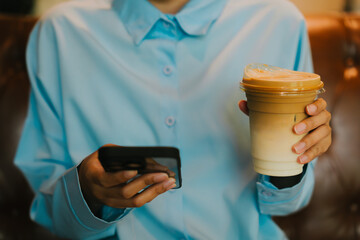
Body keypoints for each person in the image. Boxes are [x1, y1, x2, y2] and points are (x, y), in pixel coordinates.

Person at [15, 0, 332, 239]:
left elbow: (287, 204)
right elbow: (52, 216)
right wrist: (87, 192)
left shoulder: (278, 23)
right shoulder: (60, 33)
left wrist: (291, 163)